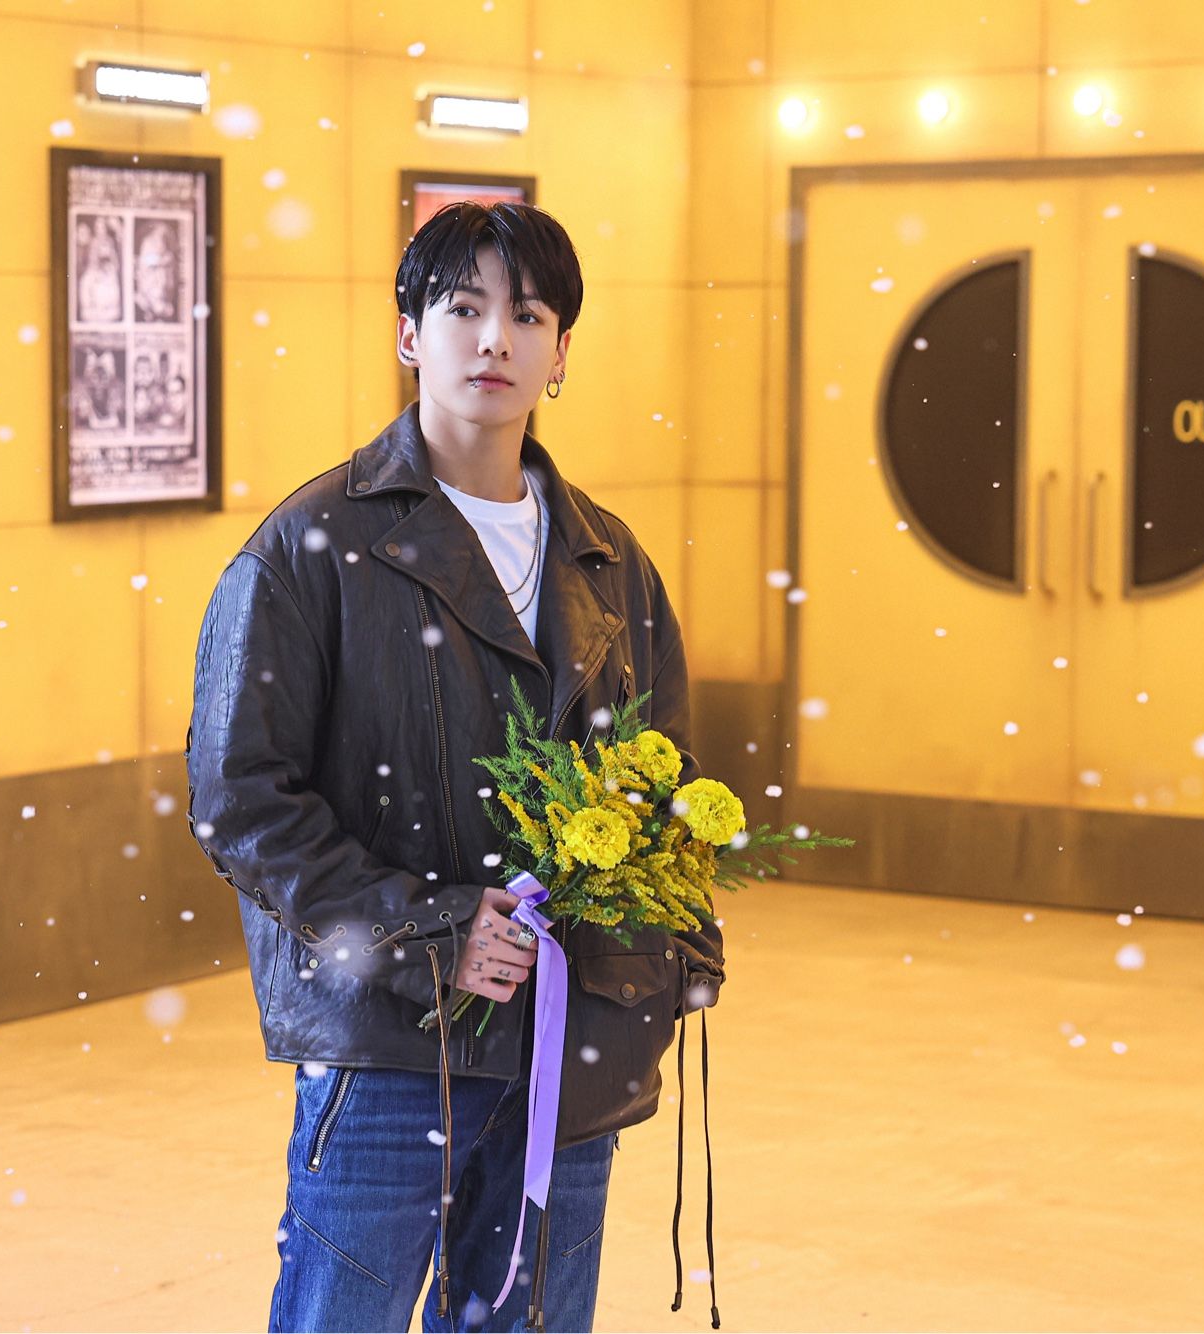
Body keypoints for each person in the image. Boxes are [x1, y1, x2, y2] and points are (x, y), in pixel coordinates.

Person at [186, 200, 723, 1333]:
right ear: (406, 333)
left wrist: (677, 940)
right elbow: (239, 797)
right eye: (462, 308)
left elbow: (664, 776)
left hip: (573, 1034)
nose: (493, 341)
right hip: (393, 1040)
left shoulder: (608, 556)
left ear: (561, 351)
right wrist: (422, 928)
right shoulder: (311, 545)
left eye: (525, 315)